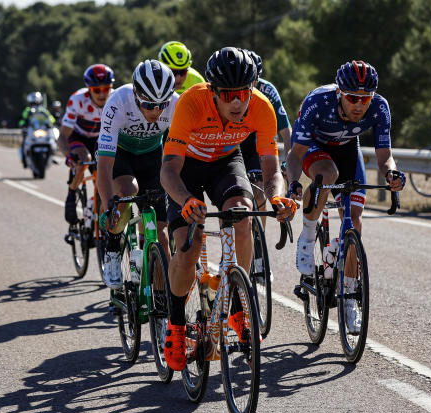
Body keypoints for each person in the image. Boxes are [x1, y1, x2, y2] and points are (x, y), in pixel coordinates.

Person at [160, 47, 297, 371]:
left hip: (225, 162)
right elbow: (168, 171)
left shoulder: (262, 109)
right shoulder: (191, 103)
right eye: (228, 95)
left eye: (243, 93)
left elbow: (272, 170)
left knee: (244, 216)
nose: (237, 102)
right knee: (189, 248)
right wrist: (186, 201)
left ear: (252, 89)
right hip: (186, 168)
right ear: (213, 92)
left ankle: (238, 301)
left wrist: (277, 197)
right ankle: (177, 325)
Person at [285, 60, 405, 333]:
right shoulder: (318, 101)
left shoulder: (380, 107)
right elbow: (295, 154)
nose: (359, 105)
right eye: (352, 98)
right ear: (340, 92)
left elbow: (385, 157)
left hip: (348, 148)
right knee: (327, 174)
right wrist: (293, 183)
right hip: (312, 146)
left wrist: (393, 175)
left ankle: (350, 299)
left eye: (365, 99)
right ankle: (307, 236)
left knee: (354, 220)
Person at [97, 59, 178, 288]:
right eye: (149, 103)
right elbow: (104, 165)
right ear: (135, 94)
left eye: (162, 104)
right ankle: (113, 247)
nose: (156, 110)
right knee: (126, 191)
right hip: (120, 155)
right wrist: (108, 206)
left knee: (161, 236)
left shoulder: (176, 105)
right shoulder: (118, 102)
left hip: (152, 156)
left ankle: (166, 307)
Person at [241, 50, 292, 227]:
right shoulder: (232, 89)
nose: (251, 83)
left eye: (255, 78)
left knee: (260, 191)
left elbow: (286, 131)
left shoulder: (267, 90)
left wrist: (288, 161)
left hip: (258, 142)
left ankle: (258, 236)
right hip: (235, 143)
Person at [60, 64, 114, 225]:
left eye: (106, 88)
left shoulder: (116, 99)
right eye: (97, 90)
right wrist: (69, 156)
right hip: (78, 137)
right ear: (89, 89)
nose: (102, 94)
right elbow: (63, 135)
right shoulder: (77, 100)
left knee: (105, 175)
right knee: (84, 159)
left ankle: (97, 205)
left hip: (100, 139)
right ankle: (71, 195)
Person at [18, 92, 55, 168]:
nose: (34, 105)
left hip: (42, 130)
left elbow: (51, 119)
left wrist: (50, 123)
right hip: (31, 131)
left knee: (53, 140)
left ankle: (52, 156)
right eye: (33, 103)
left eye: (36, 103)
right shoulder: (27, 111)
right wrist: (23, 124)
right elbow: (22, 120)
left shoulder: (43, 111)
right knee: (23, 142)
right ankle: (24, 159)